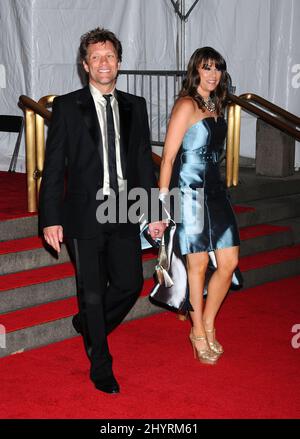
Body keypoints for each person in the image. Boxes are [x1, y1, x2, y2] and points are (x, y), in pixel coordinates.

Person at [39, 27, 166, 393]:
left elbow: (143, 162)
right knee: (92, 291)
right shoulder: (66, 106)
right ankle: (101, 364)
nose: (103, 63)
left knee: (129, 284)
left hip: (124, 208)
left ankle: (89, 325)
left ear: (119, 62)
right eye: (95, 57)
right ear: (85, 65)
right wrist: (50, 218)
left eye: (109, 55)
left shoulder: (135, 105)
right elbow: (54, 167)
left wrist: (153, 210)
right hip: (83, 213)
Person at [159, 47, 240, 365]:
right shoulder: (186, 104)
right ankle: (197, 331)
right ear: (195, 71)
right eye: (206, 68)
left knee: (229, 262)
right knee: (198, 266)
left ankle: (207, 322)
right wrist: (163, 203)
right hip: (189, 193)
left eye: (217, 68)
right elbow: (168, 157)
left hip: (216, 193)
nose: (213, 74)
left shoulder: (216, 105)